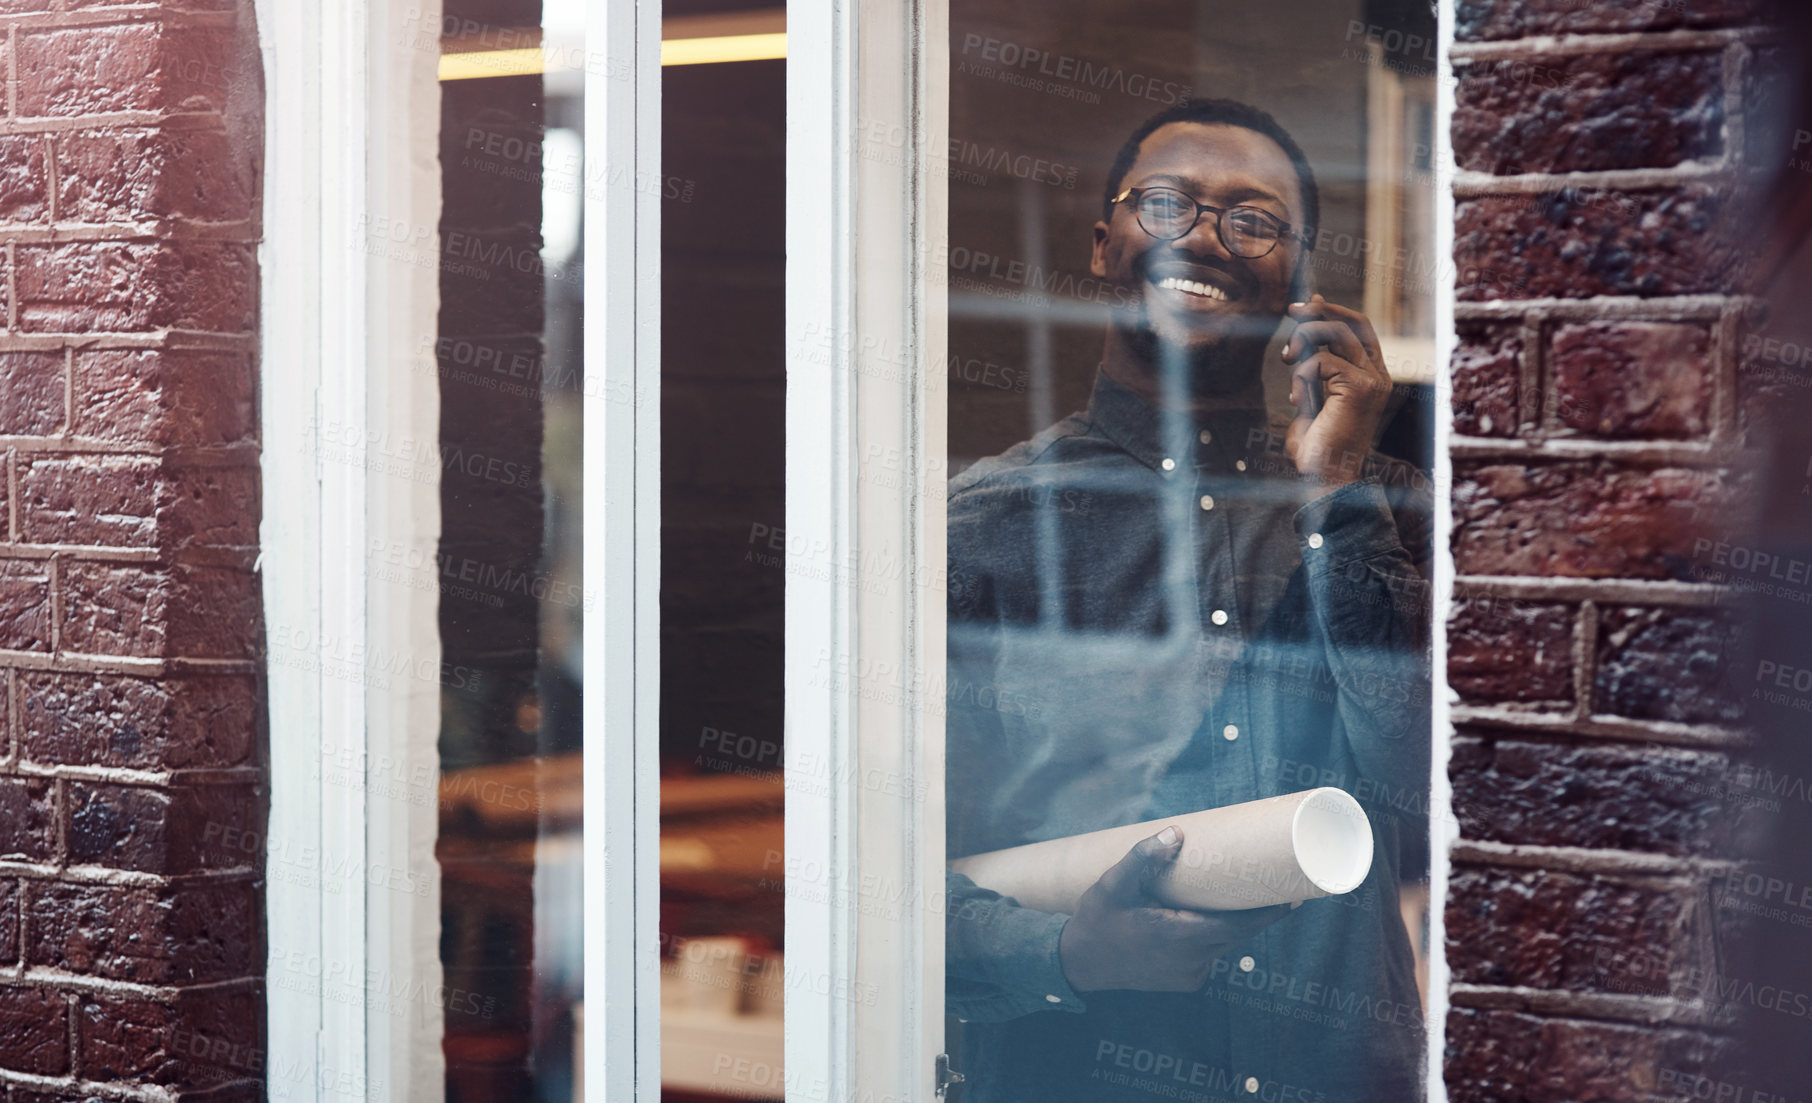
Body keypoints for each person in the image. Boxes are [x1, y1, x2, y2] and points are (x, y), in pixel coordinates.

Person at [945, 98, 1431, 1102]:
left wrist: (1337, 490)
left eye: (1252, 220)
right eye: (1165, 204)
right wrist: (1066, 948)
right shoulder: (984, 524)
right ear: (1102, 244)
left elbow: (1432, 798)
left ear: (1296, 280)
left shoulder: (1386, 507)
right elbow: (881, 882)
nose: (1203, 237)